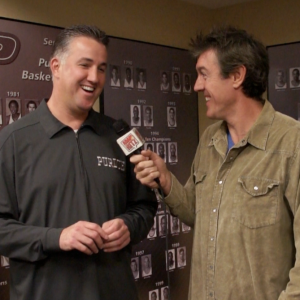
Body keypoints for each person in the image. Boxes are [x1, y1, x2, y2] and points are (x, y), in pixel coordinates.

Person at [130, 25, 300, 300]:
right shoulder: (210, 140)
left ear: (236, 75)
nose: (197, 86)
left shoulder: (292, 144)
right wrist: (166, 179)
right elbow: (198, 212)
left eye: (204, 75)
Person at [0, 25, 157, 300]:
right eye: (85, 65)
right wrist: (56, 238)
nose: (94, 77)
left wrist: (128, 226)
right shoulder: (13, 141)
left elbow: (144, 207)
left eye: (102, 68)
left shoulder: (123, 136)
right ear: (56, 66)